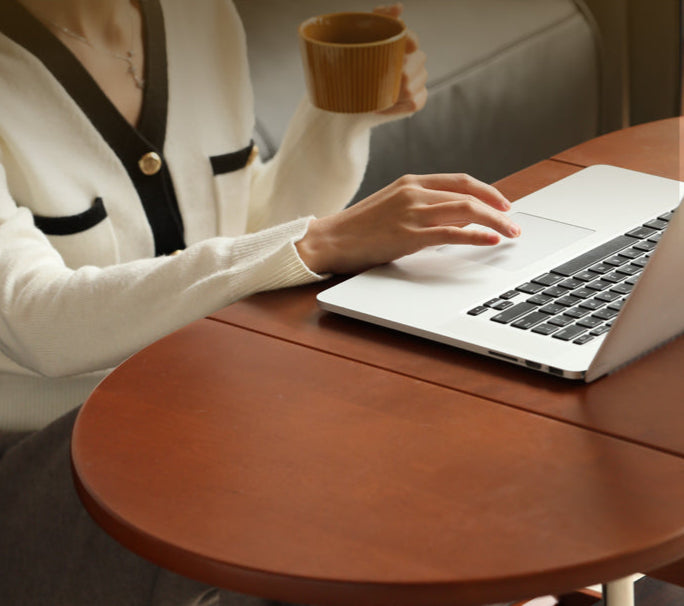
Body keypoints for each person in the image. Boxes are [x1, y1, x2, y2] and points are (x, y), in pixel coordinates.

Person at [0, 0, 520, 603]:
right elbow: (38, 320)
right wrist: (321, 240)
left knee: (439, 420)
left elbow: (245, 235)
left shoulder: (199, 17)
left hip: (209, 400)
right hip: (45, 459)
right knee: (333, 501)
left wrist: (336, 119)